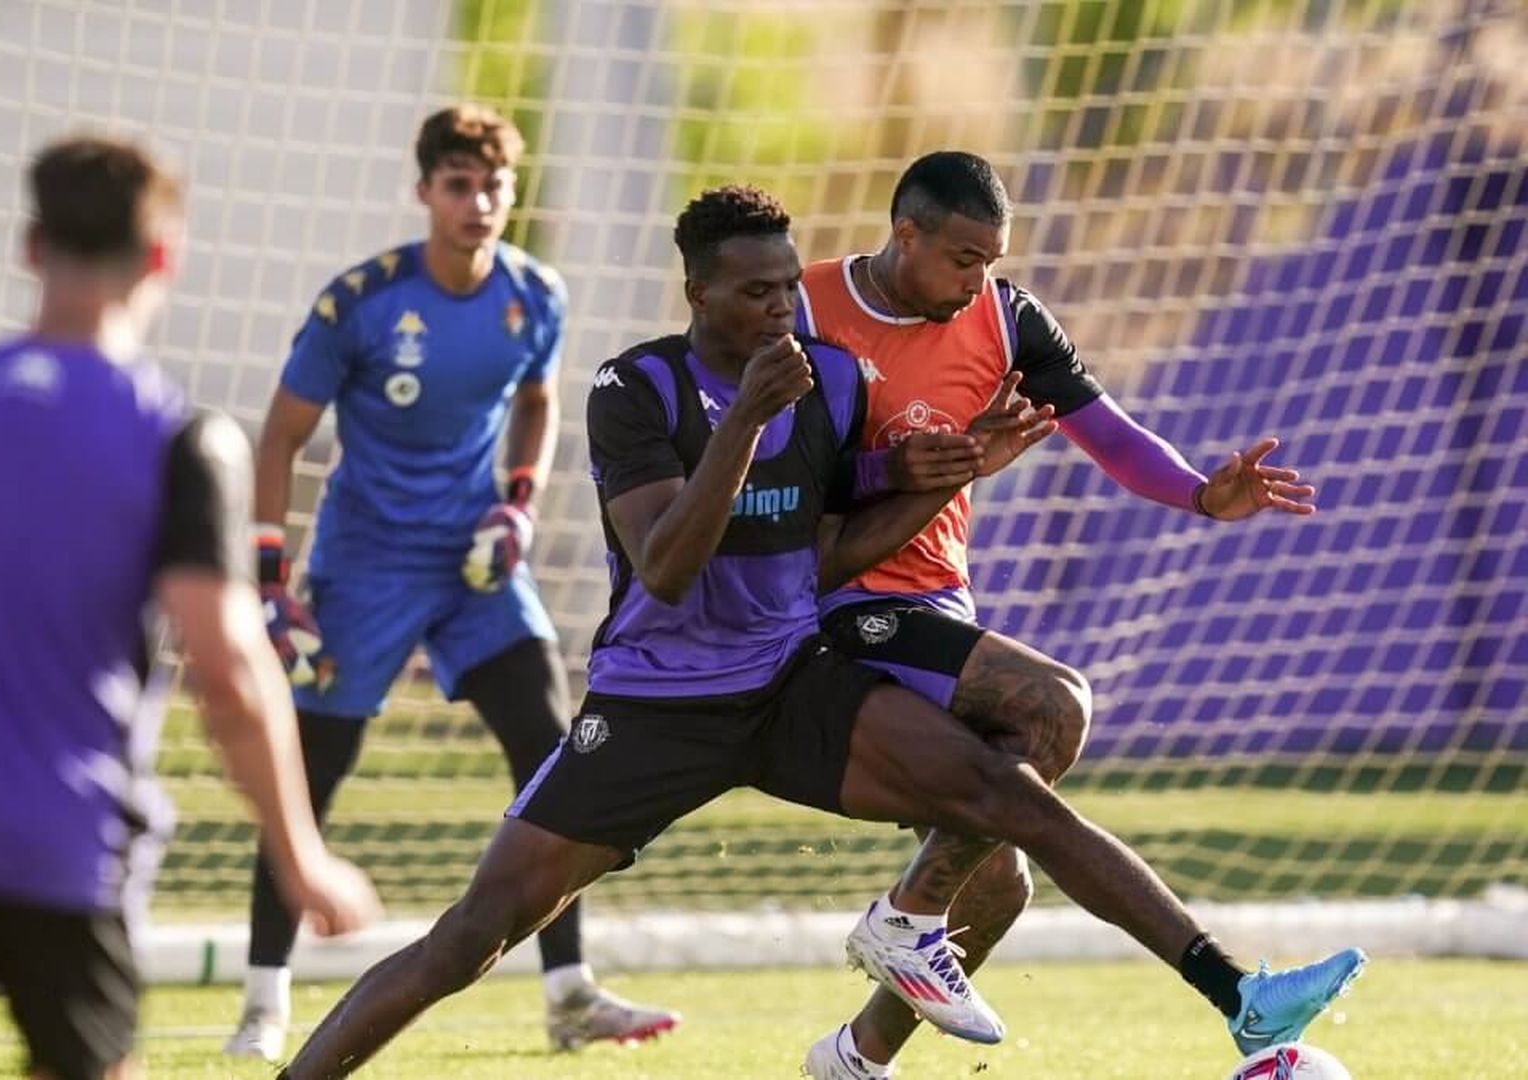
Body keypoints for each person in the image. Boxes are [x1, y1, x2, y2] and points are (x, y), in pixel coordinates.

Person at [272, 185, 1361, 1079]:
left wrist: (951, 473)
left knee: (1009, 795)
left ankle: (1238, 995)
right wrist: (743, 418)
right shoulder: (634, 388)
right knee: (474, 935)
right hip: (658, 702)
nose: (783, 308)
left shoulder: (831, 379)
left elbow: (826, 546)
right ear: (698, 293)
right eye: (755, 293)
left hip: (795, 682)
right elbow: (667, 564)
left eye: (791, 286)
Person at [0, 135, 380, 1080]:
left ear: (32, 246)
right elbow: (229, 668)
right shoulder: (178, 439)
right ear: (165, 254)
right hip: (68, 854)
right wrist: (301, 857)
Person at [793, 151, 1331, 1078]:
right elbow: (776, 472)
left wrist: (1203, 494)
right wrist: (900, 471)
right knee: (1054, 705)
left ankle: (854, 1061)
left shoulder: (1007, 319)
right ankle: (905, 918)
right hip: (833, 607)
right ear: (905, 233)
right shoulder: (803, 308)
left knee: (997, 881)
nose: (979, 280)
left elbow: (1106, 429)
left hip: (935, 610)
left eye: (993, 259)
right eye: (964, 258)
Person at [228, 103, 676, 1061]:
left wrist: (517, 502)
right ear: (425, 189)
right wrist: (272, 579)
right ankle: (264, 1003)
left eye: (495, 187)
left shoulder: (534, 294)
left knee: (557, 755)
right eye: (460, 186)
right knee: (310, 776)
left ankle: (568, 991)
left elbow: (540, 404)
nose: (479, 204)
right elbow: (280, 436)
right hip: (364, 568)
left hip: (476, 569)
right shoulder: (363, 301)